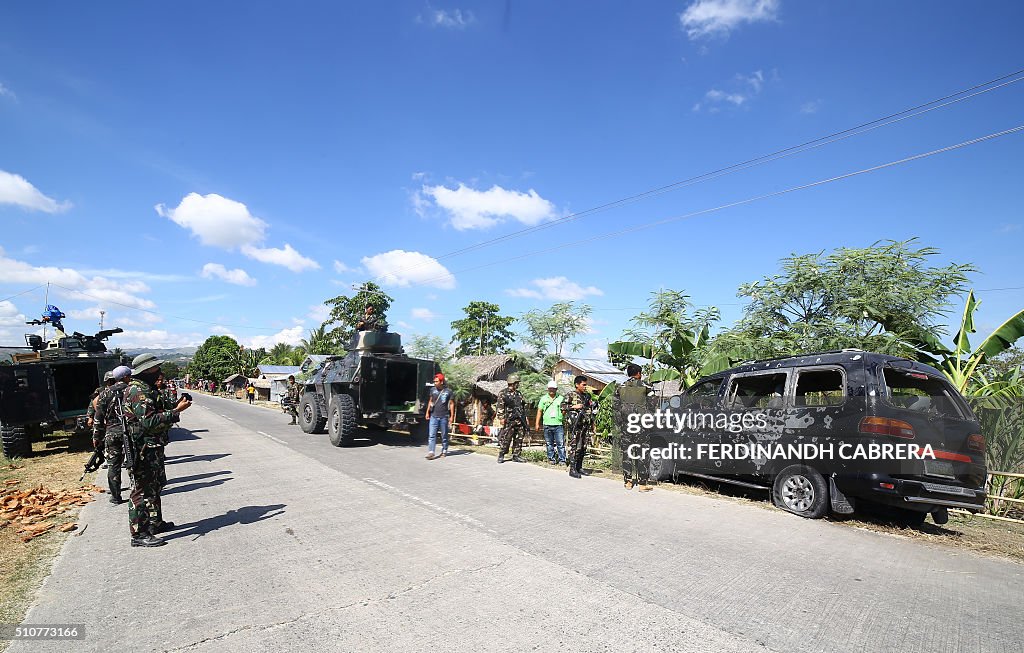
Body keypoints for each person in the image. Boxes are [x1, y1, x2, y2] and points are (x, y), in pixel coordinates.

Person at [121, 353, 192, 547]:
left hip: (152, 448)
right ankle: (138, 534)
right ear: (145, 371)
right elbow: (150, 421)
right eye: (155, 369)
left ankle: (154, 523)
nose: (159, 372)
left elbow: (158, 409)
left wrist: (176, 404)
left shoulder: (148, 389)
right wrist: (177, 412)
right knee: (141, 490)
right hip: (142, 449)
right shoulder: (138, 391)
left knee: (155, 487)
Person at [93, 366, 132, 503]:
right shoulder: (131, 390)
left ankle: (115, 496)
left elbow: (98, 417)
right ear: (127, 376)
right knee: (133, 461)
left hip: (112, 432)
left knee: (113, 465)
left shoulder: (105, 393)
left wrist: (96, 437)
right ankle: (137, 491)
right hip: (131, 432)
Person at [616, 363, 654, 492]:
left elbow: (615, 407)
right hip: (641, 425)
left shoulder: (620, 387)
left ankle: (628, 481)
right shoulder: (646, 386)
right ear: (638, 374)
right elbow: (652, 404)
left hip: (626, 425)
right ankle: (642, 483)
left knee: (627, 452)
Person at [563, 376, 596, 479]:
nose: (585, 387)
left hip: (585, 425)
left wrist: (592, 424)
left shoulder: (587, 396)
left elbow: (591, 409)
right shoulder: (571, 395)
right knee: (575, 447)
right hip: (576, 425)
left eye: (586, 385)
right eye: (583, 385)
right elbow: (562, 407)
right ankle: (572, 469)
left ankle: (579, 467)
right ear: (577, 384)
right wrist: (573, 407)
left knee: (583, 447)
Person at [495, 374, 527, 464]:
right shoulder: (503, 393)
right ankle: (501, 454)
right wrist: (501, 418)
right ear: (513, 383)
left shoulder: (519, 394)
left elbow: (522, 406)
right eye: (517, 383)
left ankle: (516, 455)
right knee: (506, 438)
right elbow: (500, 407)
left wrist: (525, 418)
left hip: (519, 420)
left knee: (519, 438)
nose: (518, 385)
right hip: (509, 420)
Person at [424, 373, 455, 460]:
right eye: (434, 381)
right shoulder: (432, 390)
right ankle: (431, 452)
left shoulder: (448, 391)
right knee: (431, 435)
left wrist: (451, 416)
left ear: (441, 382)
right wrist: (427, 412)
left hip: (444, 417)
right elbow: (430, 401)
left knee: (444, 435)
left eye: (436, 381)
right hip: (433, 416)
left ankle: (444, 450)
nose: (435, 383)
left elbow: (452, 404)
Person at [535, 380, 566, 465]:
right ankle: (551, 459)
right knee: (549, 444)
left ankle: (562, 460)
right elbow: (539, 411)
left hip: (558, 425)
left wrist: (560, 416)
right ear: (548, 389)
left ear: (556, 389)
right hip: (547, 424)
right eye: (550, 389)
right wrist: (537, 423)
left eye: (553, 389)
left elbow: (564, 409)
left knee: (560, 443)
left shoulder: (561, 398)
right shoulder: (543, 399)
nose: (552, 390)